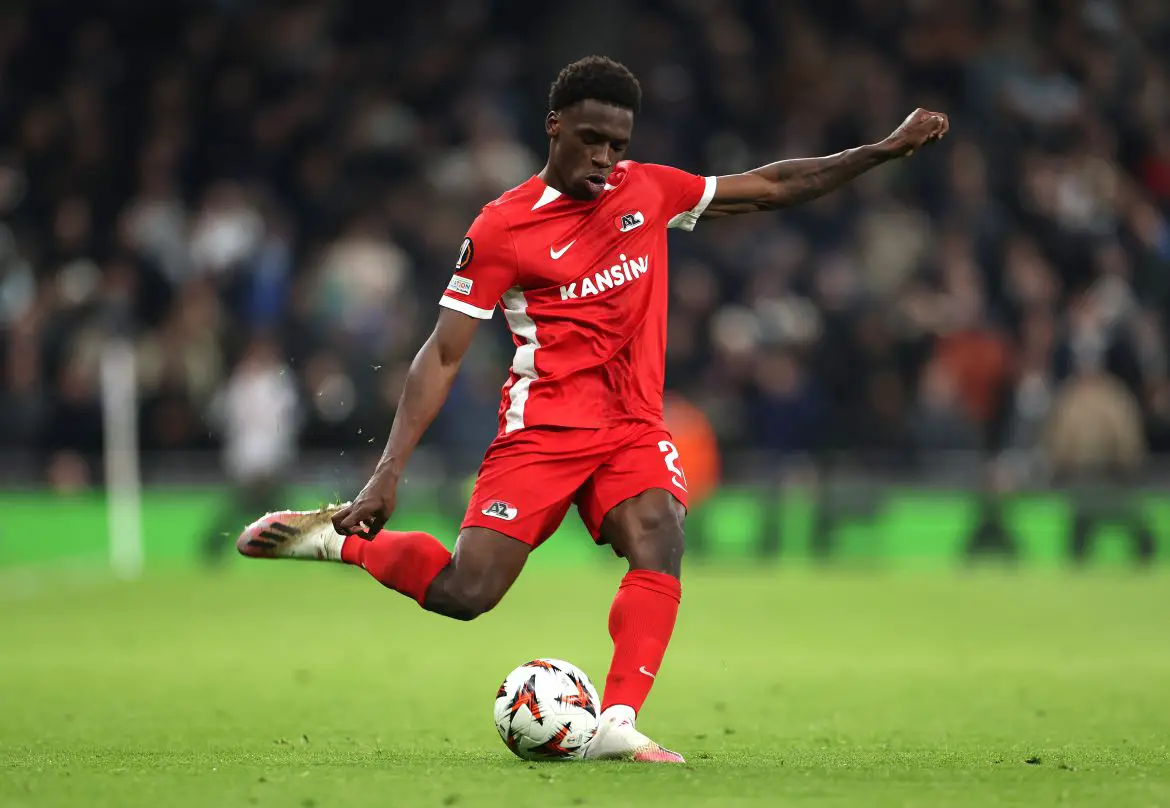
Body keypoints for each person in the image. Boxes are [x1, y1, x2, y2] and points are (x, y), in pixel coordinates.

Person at [237, 56, 948, 762]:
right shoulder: (500, 229)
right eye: (591, 140)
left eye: (618, 145)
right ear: (555, 127)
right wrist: (387, 472)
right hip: (540, 434)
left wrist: (881, 151)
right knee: (466, 592)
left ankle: (617, 720)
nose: (606, 158)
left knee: (660, 531)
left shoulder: (651, 192)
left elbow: (772, 185)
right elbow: (443, 353)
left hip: (631, 428)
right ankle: (337, 541)